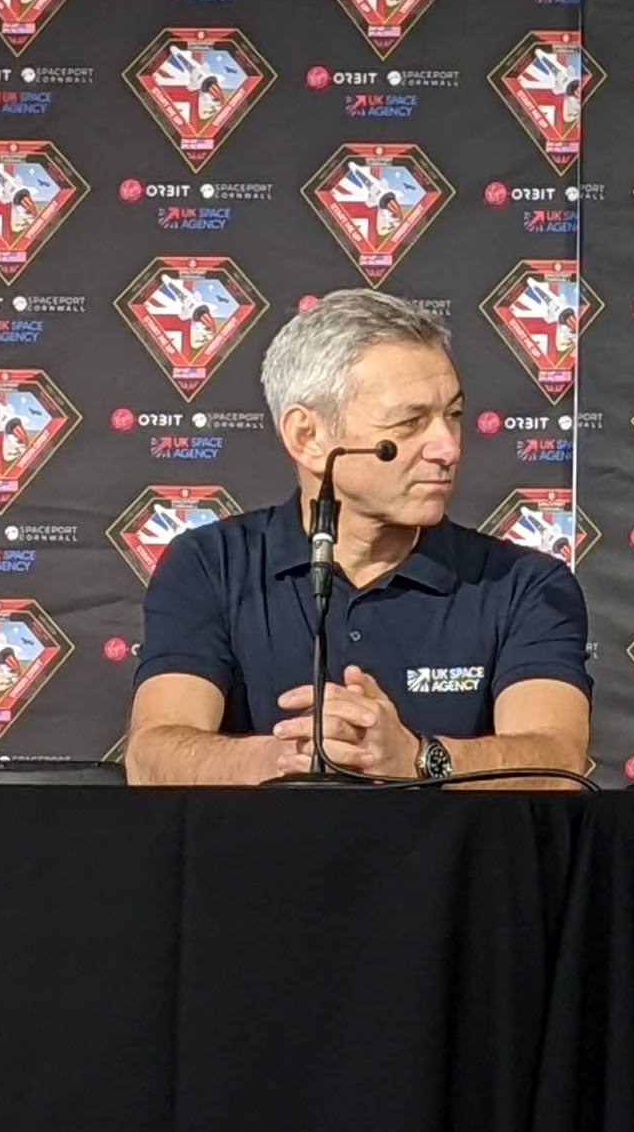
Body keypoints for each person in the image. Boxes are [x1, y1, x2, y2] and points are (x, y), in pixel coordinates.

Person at [126, 289, 591, 785]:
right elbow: (151, 757)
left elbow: (559, 766)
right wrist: (284, 760)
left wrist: (416, 758)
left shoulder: (526, 585)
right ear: (307, 437)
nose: (447, 448)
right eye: (410, 422)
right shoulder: (210, 564)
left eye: (453, 416)